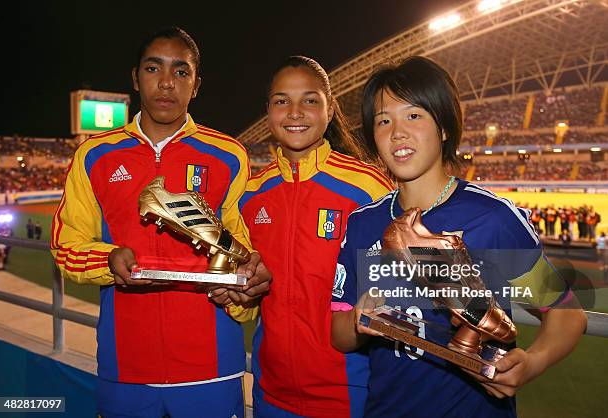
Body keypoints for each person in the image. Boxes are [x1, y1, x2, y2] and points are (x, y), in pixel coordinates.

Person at [330, 56, 587, 418]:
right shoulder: (362, 224)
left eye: (414, 116)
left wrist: (531, 363)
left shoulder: (492, 218)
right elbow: (339, 335)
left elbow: (565, 313)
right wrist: (359, 318)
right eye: (383, 120)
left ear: (445, 127)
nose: (397, 132)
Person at [51, 27, 270, 418]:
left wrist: (244, 295)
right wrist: (109, 261)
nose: (167, 82)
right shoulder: (93, 156)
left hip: (213, 369)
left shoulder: (229, 155)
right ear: (135, 78)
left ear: (196, 85)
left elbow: (244, 253)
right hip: (127, 371)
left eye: (181, 72)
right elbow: (66, 247)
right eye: (154, 69)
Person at [238, 56, 393, 417]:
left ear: (330, 108)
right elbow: (245, 299)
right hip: (270, 392)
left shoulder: (368, 189)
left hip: (350, 395)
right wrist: (238, 294)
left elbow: (398, 287)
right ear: (268, 111)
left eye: (309, 100)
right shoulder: (251, 195)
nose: (295, 112)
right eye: (281, 101)